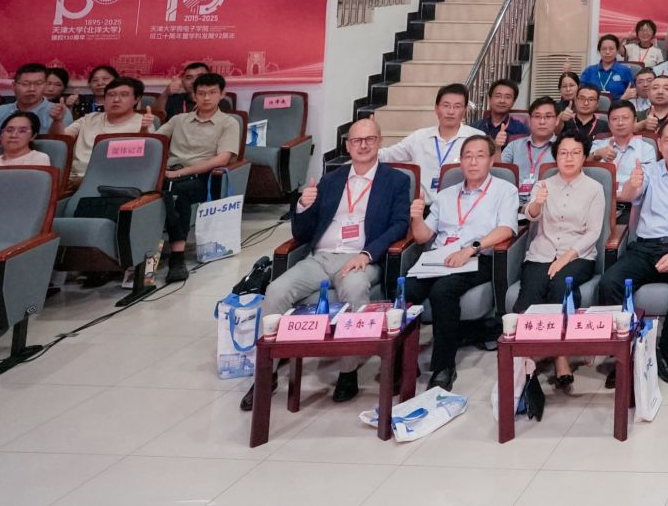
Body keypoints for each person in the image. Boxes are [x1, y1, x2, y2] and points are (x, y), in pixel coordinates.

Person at [243, 116, 412, 409]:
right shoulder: (331, 180)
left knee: (354, 289)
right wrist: (303, 205)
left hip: (361, 258)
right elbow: (303, 233)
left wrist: (367, 254)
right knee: (275, 291)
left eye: (370, 139)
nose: (363, 145)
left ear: (380, 142)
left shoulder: (395, 180)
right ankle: (266, 373)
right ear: (347, 146)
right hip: (320, 257)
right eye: (357, 140)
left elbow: (399, 225)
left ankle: (348, 372)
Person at [595, 119, 668, 385]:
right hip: (646, 247)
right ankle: (628, 352)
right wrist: (631, 184)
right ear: (659, 144)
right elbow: (628, 196)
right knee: (609, 283)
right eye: (667, 141)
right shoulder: (648, 170)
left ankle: (665, 353)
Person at [406, 135, 518, 390]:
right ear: (461, 161)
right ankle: (405, 362)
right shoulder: (446, 195)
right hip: (439, 258)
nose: (473, 162)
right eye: (467, 156)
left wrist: (471, 248)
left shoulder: (504, 190)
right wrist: (416, 218)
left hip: (477, 258)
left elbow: (506, 229)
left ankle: (443, 367)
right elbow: (423, 236)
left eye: (480, 156)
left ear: (491, 160)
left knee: (443, 291)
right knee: (406, 290)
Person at [516, 134, 612, 389]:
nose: (569, 158)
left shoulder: (594, 188)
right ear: (556, 156)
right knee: (531, 290)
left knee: (561, 285)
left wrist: (566, 257)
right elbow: (530, 216)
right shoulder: (543, 185)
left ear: (584, 157)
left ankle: (561, 355)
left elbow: (593, 232)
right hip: (541, 253)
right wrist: (537, 203)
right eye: (563, 153)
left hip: (579, 255)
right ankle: (524, 357)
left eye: (575, 153)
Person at [158, 72, 241, 282]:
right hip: (170, 173)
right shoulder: (178, 120)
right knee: (152, 193)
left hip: (204, 177)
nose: (206, 98)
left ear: (222, 94)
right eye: (201, 93)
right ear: (193, 95)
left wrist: (179, 173)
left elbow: (223, 158)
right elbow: (154, 142)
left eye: (212, 93)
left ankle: (177, 255)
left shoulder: (228, 123)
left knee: (179, 194)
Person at [381, 84, 487, 183]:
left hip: (461, 197)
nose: (451, 111)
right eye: (446, 105)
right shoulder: (419, 137)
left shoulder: (477, 138)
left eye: (457, 106)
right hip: (423, 197)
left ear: (465, 111)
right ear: (436, 108)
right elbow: (388, 155)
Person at [56, 75, 150, 184]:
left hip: (114, 182)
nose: (116, 100)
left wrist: (143, 131)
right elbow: (60, 140)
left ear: (137, 99)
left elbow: (144, 159)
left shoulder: (144, 123)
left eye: (124, 95)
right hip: (74, 180)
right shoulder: (88, 119)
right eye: (111, 95)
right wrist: (57, 121)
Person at [0, 62, 68, 155]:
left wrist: (57, 122)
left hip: (33, 165)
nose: (32, 89)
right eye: (25, 84)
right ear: (13, 86)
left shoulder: (59, 112)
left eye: (38, 84)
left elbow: (59, 151)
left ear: (45, 85)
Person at [502, 98, 559, 199]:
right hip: (514, 202)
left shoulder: (564, 148)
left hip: (548, 203)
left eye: (548, 116)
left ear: (557, 120)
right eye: (537, 116)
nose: (542, 122)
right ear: (529, 120)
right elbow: (500, 174)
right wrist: (497, 148)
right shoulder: (514, 146)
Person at [471, 78, 529, 147]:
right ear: (489, 99)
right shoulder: (475, 128)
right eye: (498, 96)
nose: (502, 101)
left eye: (507, 97)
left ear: (513, 102)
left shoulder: (522, 130)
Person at [581, 36, 637, 102]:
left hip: (619, 106)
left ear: (617, 51)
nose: (607, 52)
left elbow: (633, 92)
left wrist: (622, 99)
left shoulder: (625, 70)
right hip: (592, 107)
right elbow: (580, 92)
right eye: (604, 49)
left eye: (611, 49)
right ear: (599, 51)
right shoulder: (589, 71)